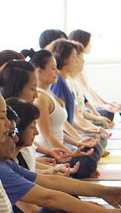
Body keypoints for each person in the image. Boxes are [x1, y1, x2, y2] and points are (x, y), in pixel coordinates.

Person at [24, 49, 100, 179]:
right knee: (89, 161)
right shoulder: (40, 98)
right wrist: (70, 153)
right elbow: (47, 137)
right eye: (53, 68)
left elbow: (60, 129)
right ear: (39, 71)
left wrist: (78, 143)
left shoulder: (49, 93)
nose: (56, 72)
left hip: (59, 150)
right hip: (49, 154)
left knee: (94, 149)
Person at [0, 59, 75, 176]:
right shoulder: (9, 136)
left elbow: (27, 170)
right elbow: (25, 177)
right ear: (17, 88)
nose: (36, 95)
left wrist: (47, 168)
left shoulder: (24, 116)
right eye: (32, 89)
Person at [68, 29, 120, 120]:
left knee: (108, 112)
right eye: (89, 42)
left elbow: (89, 89)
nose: (90, 45)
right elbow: (87, 92)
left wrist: (106, 104)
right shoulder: (76, 69)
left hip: (82, 105)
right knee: (107, 113)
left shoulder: (81, 65)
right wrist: (104, 106)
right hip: (79, 108)